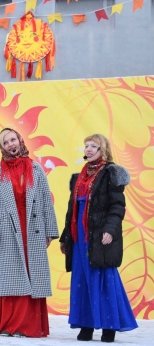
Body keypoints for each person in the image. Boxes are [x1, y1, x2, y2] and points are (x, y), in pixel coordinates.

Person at [59, 134, 138, 343]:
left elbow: (117, 206)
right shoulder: (79, 177)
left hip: (99, 235)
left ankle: (109, 326)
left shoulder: (110, 173)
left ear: (104, 150)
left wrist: (110, 230)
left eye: (94, 146)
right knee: (82, 280)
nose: (89, 149)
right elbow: (72, 211)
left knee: (102, 279)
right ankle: (86, 325)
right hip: (79, 237)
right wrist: (66, 237)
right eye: (87, 146)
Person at [0, 128, 59, 338]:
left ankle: (28, 325)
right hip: (8, 229)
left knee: (32, 273)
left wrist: (50, 231)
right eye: (6, 142)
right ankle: (10, 324)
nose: (11, 144)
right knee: (12, 276)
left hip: (32, 228)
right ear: (2, 147)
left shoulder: (35, 169)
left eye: (12, 139)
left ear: (20, 140)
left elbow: (46, 201)